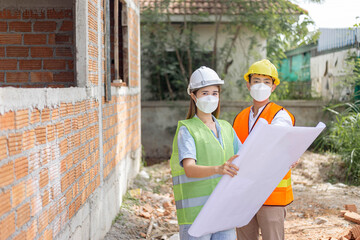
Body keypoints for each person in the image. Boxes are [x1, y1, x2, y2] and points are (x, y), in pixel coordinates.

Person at [170, 66, 242, 240]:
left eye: (215, 93)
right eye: (205, 93)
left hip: (224, 211)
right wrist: (219, 169)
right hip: (196, 216)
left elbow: (246, 158)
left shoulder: (226, 128)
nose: (211, 97)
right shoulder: (187, 130)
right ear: (193, 96)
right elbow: (189, 169)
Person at [232, 59, 295, 240]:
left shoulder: (280, 115)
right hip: (244, 194)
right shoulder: (240, 118)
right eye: (256, 81)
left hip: (271, 196)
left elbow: (274, 140)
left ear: (273, 86)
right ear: (248, 84)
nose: (261, 85)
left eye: (267, 82)